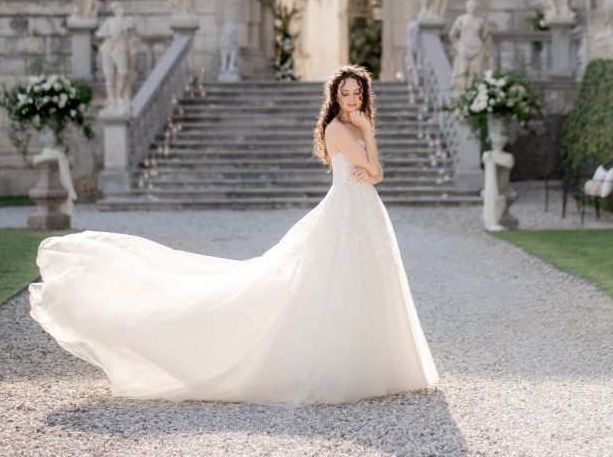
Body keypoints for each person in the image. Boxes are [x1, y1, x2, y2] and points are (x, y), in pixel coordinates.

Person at [29, 64, 439, 405]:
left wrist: (365, 132)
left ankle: (376, 364)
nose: (351, 99)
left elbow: (371, 176)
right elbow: (376, 173)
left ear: (363, 95)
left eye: (356, 93)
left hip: (364, 213)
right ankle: (335, 368)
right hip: (346, 212)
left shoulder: (352, 123)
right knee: (328, 284)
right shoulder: (337, 128)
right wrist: (368, 133)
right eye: (345, 93)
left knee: (366, 283)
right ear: (335, 97)